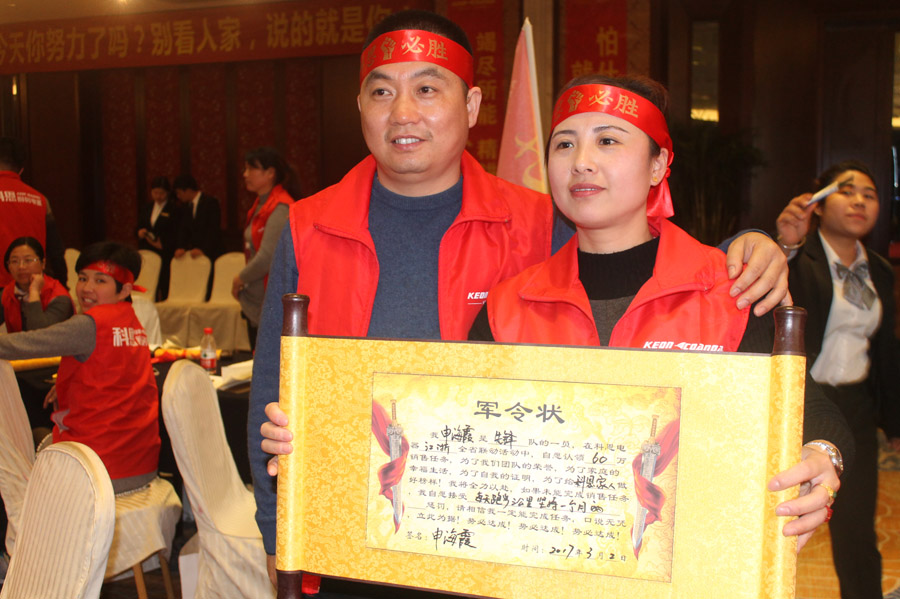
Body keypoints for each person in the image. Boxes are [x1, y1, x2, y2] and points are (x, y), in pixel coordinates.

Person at [251, 10, 792, 595]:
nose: (402, 112)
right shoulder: (307, 227)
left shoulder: (538, 221)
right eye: (381, 92)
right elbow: (272, 390)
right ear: (360, 105)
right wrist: (279, 536)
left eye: (427, 89)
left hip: (498, 543)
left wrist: (744, 249)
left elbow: (635, 261)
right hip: (347, 545)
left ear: (472, 106)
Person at [465, 73, 852, 550]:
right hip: (544, 557)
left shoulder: (731, 291)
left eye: (608, 141)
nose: (581, 161)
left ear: (658, 165)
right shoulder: (506, 306)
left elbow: (808, 409)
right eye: (564, 144)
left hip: (690, 557)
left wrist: (824, 455)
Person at [776, 160, 900, 598]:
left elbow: (885, 350)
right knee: (779, 520)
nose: (860, 201)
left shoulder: (879, 269)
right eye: (847, 191)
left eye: (870, 194)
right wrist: (787, 247)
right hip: (804, 405)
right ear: (819, 203)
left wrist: (894, 422)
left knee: (857, 532)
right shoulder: (800, 258)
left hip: (857, 408)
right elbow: (772, 297)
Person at [0, 242, 160, 494]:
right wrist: (66, 385)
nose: (86, 288)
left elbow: (24, 344)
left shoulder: (88, 325)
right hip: (141, 463)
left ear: (124, 290)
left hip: (99, 472)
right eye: (83, 278)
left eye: (100, 281)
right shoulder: (131, 320)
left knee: (24, 443)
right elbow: (117, 375)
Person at [232, 147, 299, 347]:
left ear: (270, 173)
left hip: (269, 297)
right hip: (256, 295)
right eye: (245, 169)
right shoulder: (260, 205)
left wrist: (239, 278)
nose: (245, 175)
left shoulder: (280, 207)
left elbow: (267, 257)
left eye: (251, 169)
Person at [0, 137, 67, 291]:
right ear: (21, 169)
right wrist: (62, 287)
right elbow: (56, 252)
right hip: (32, 289)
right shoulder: (40, 200)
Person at [1, 236, 73, 332]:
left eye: (28, 260)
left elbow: (39, 335)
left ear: (43, 263)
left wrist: (34, 291)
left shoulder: (59, 297)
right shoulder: (7, 293)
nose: (21, 266)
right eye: (14, 261)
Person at [136, 176, 178, 300]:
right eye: (155, 193)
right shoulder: (147, 207)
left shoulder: (173, 209)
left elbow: (175, 231)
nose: (158, 196)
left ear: (167, 193)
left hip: (165, 251)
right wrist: (140, 232)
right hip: (148, 249)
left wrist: (163, 244)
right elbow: (139, 225)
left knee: (164, 282)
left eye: (161, 193)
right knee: (148, 282)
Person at [173, 173, 224, 263]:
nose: (178, 196)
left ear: (188, 190)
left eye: (179, 193)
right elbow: (183, 230)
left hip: (211, 253)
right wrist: (181, 247)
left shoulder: (210, 203)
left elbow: (213, 230)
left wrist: (204, 250)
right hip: (194, 255)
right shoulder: (186, 207)